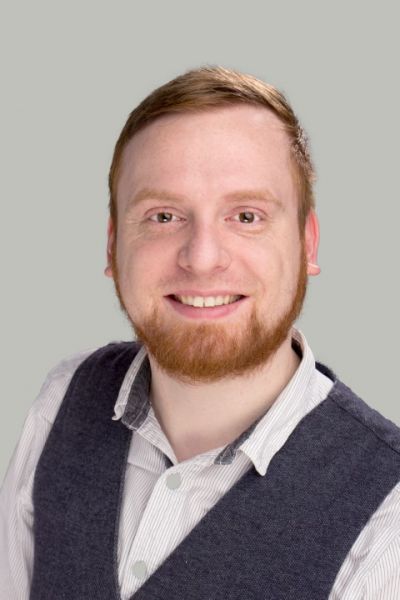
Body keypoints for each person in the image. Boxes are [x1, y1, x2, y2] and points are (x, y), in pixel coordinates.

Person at [1, 66, 400, 600]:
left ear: (308, 243)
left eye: (246, 216)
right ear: (112, 245)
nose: (202, 257)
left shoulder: (387, 515)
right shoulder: (62, 400)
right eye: (164, 216)